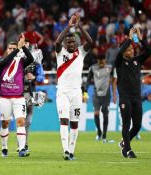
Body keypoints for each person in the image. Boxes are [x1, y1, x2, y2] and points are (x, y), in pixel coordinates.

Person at [55, 13, 93, 160]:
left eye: (73, 42)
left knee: (75, 123)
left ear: (76, 44)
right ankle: (65, 150)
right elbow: (57, 42)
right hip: (63, 92)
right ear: (65, 45)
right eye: (68, 42)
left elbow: (90, 41)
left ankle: (71, 151)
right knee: (64, 120)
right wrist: (69, 26)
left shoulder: (81, 53)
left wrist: (81, 27)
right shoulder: (60, 52)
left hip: (77, 92)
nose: (71, 44)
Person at [113, 27, 151, 158]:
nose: (131, 50)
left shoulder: (137, 61)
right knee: (126, 123)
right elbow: (120, 52)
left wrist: (140, 39)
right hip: (125, 98)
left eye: (132, 48)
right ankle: (127, 150)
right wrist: (129, 38)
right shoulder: (119, 62)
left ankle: (124, 142)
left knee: (137, 125)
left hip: (136, 97)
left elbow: (149, 51)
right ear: (124, 51)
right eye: (129, 49)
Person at [0, 34, 34, 157]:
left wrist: (23, 47)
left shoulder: (21, 62)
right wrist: (18, 49)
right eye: (10, 48)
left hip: (18, 97)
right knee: (5, 123)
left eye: (14, 48)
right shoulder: (2, 61)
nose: (12, 50)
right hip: (5, 97)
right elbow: (7, 60)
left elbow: (31, 58)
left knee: (20, 122)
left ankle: (22, 149)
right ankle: (4, 147)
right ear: (6, 50)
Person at [22, 40, 45, 152]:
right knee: (20, 119)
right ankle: (20, 144)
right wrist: (24, 77)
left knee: (28, 121)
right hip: (18, 92)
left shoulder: (35, 63)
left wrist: (34, 77)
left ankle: (24, 144)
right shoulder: (17, 60)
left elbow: (41, 77)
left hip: (31, 91)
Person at [86, 55, 113, 143]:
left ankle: (104, 134)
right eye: (100, 61)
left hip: (106, 95)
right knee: (96, 114)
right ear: (97, 60)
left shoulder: (110, 67)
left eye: (103, 61)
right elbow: (88, 80)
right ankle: (99, 131)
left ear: (105, 60)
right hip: (96, 94)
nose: (101, 63)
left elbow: (115, 78)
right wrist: (85, 92)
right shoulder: (93, 68)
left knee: (105, 113)